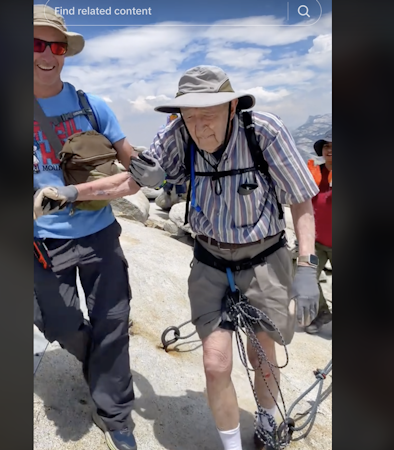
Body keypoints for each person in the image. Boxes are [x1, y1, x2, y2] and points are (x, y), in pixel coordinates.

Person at [131, 65, 321, 450]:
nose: (198, 127)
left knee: (261, 352)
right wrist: (74, 194)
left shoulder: (264, 130)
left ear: (232, 106)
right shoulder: (178, 132)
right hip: (210, 261)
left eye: (208, 113)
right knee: (215, 364)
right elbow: (138, 173)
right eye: (189, 114)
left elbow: (301, 199)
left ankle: (266, 420)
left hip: (264, 258)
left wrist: (306, 265)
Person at [32, 6, 164, 450]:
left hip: (100, 233)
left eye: (55, 46)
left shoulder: (93, 105)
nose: (46, 54)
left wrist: (149, 169)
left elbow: (132, 163)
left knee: (113, 321)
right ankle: (102, 369)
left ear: (65, 53)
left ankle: (115, 414)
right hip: (41, 242)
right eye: (35, 44)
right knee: (60, 323)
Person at [304, 131, 333, 334]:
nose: (329, 150)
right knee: (308, 278)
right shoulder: (314, 173)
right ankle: (322, 312)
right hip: (316, 241)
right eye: (326, 146)